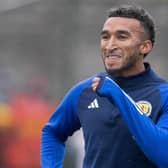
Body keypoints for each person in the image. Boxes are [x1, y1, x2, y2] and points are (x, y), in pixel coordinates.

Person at [40, 4, 168, 168]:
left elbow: (164, 156)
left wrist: (119, 97)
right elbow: (53, 132)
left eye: (122, 37)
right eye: (105, 37)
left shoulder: (163, 95)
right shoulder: (85, 91)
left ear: (145, 46)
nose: (110, 45)